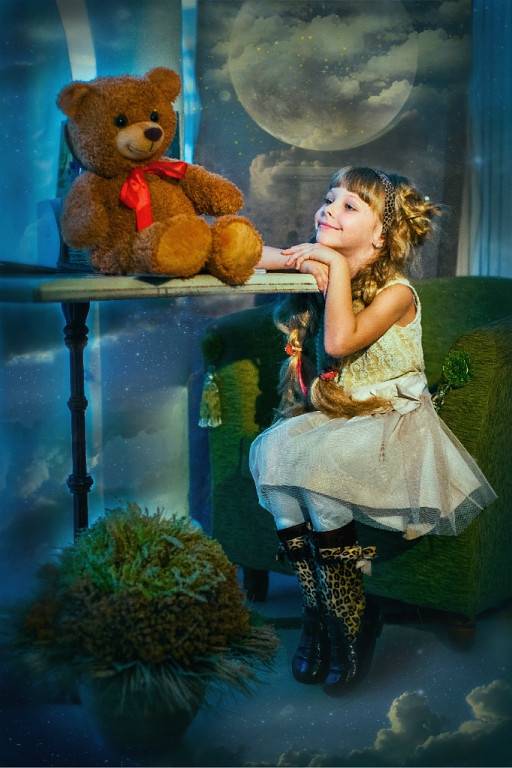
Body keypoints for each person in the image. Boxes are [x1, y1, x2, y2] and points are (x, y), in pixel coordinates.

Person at [248, 166, 498, 696]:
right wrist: (284, 256)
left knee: (318, 468)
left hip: (390, 423)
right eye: (328, 199)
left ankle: (351, 618)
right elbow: (253, 259)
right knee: (274, 458)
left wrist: (334, 265)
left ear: (381, 235)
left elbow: (338, 343)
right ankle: (319, 612)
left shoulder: (397, 292)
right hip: (342, 415)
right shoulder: (327, 265)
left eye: (349, 206)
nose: (329, 209)